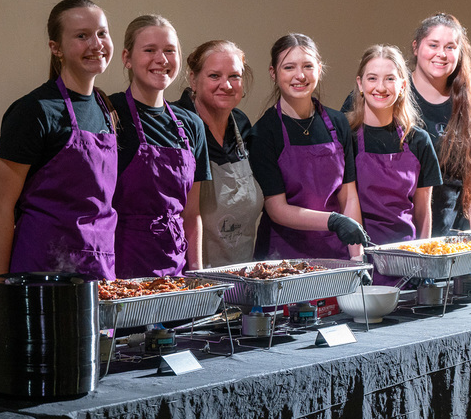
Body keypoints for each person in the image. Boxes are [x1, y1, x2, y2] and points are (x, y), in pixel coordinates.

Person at [0, 0, 118, 278]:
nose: (96, 44)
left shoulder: (106, 110)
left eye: (102, 33)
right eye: (82, 36)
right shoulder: (34, 111)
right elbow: (0, 209)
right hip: (41, 276)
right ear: (55, 48)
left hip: (99, 272)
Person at [249, 33, 368, 260]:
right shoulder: (264, 131)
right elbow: (277, 209)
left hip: (335, 253)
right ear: (273, 73)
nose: (300, 75)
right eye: (289, 67)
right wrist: (333, 220)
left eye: (308, 66)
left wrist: (356, 258)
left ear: (319, 69)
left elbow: (348, 196)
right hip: (283, 259)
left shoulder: (338, 123)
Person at [109, 15, 210, 277]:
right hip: (123, 265)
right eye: (150, 50)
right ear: (127, 58)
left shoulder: (192, 125)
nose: (161, 59)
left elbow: (192, 212)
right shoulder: (109, 113)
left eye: (169, 51)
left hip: (175, 266)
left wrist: (196, 274)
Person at [174, 40, 262, 267]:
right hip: (190, 275)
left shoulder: (241, 123)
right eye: (214, 76)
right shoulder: (176, 124)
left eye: (234, 76)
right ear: (193, 79)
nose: (227, 85)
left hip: (240, 272)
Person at [409, 13, 471, 234]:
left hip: (451, 246)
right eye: (433, 45)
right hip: (397, 243)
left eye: (450, 47)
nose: (441, 54)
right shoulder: (390, 97)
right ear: (416, 47)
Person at [344, 45, 440, 246]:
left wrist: (424, 266)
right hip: (359, 257)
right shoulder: (345, 139)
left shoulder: (419, 141)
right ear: (360, 84)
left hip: (407, 258)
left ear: (403, 85)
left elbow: (423, 212)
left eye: (390, 78)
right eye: (372, 78)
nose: (380, 87)